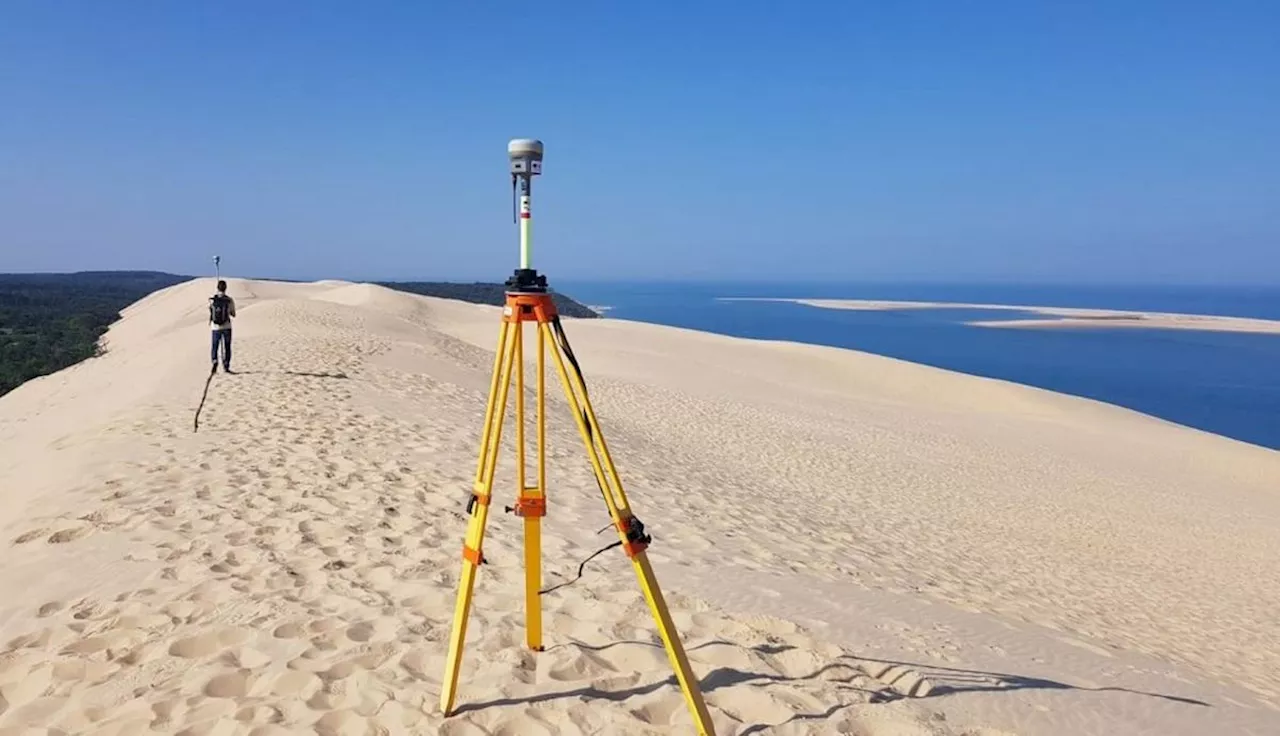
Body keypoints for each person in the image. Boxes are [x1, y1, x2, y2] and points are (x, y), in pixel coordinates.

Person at [209, 280, 237, 373]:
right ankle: (226, 366)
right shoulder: (229, 300)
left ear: (217, 288)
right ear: (226, 288)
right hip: (227, 326)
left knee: (215, 346)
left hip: (215, 327)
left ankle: (214, 360)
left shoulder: (213, 300)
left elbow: (210, 312)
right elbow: (233, 314)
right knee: (227, 346)